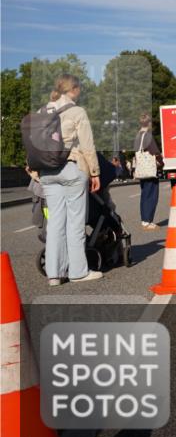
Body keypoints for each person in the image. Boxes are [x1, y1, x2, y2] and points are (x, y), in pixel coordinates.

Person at [36, 74, 103, 284]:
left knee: (55, 222)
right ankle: (78, 272)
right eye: (79, 89)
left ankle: (54, 274)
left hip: (46, 172)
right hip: (71, 168)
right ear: (73, 89)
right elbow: (87, 145)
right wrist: (95, 172)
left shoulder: (42, 112)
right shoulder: (76, 111)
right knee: (75, 223)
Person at [134, 113, 162, 231]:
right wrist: (161, 162)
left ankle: (144, 219)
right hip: (150, 170)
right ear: (149, 123)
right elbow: (155, 152)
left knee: (144, 194)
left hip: (142, 169)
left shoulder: (137, 136)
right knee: (151, 195)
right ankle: (147, 221)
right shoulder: (148, 136)